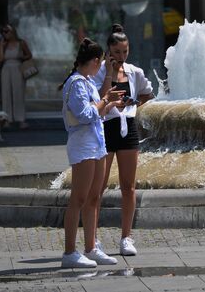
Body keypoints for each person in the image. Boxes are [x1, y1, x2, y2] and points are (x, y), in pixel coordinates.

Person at [58, 37, 125, 268]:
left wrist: (110, 104)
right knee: (78, 198)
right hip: (83, 144)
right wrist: (105, 99)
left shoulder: (86, 81)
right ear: (95, 61)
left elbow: (97, 113)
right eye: (102, 64)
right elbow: (86, 114)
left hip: (97, 143)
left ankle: (91, 247)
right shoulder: (76, 83)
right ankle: (69, 252)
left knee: (94, 198)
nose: (102, 67)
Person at [91, 24, 154, 256]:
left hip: (128, 128)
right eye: (117, 52)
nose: (121, 56)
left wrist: (134, 103)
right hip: (105, 128)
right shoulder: (98, 72)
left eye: (125, 52)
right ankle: (93, 238)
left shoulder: (134, 72)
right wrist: (108, 71)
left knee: (128, 187)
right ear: (108, 51)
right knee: (98, 187)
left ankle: (126, 237)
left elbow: (148, 93)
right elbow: (99, 99)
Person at [0, 24, 32, 129]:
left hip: (17, 67)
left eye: (7, 31)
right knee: (6, 94)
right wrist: (1, 47)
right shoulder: (3, 44)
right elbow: (0, 59)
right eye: (3, 32)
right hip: (6, 68)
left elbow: (29, 55)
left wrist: (22, 56)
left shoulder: (21, 43)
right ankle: (7, 119)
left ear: (13, 32)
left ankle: (20, 119)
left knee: (18, 93)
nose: (5, 33)